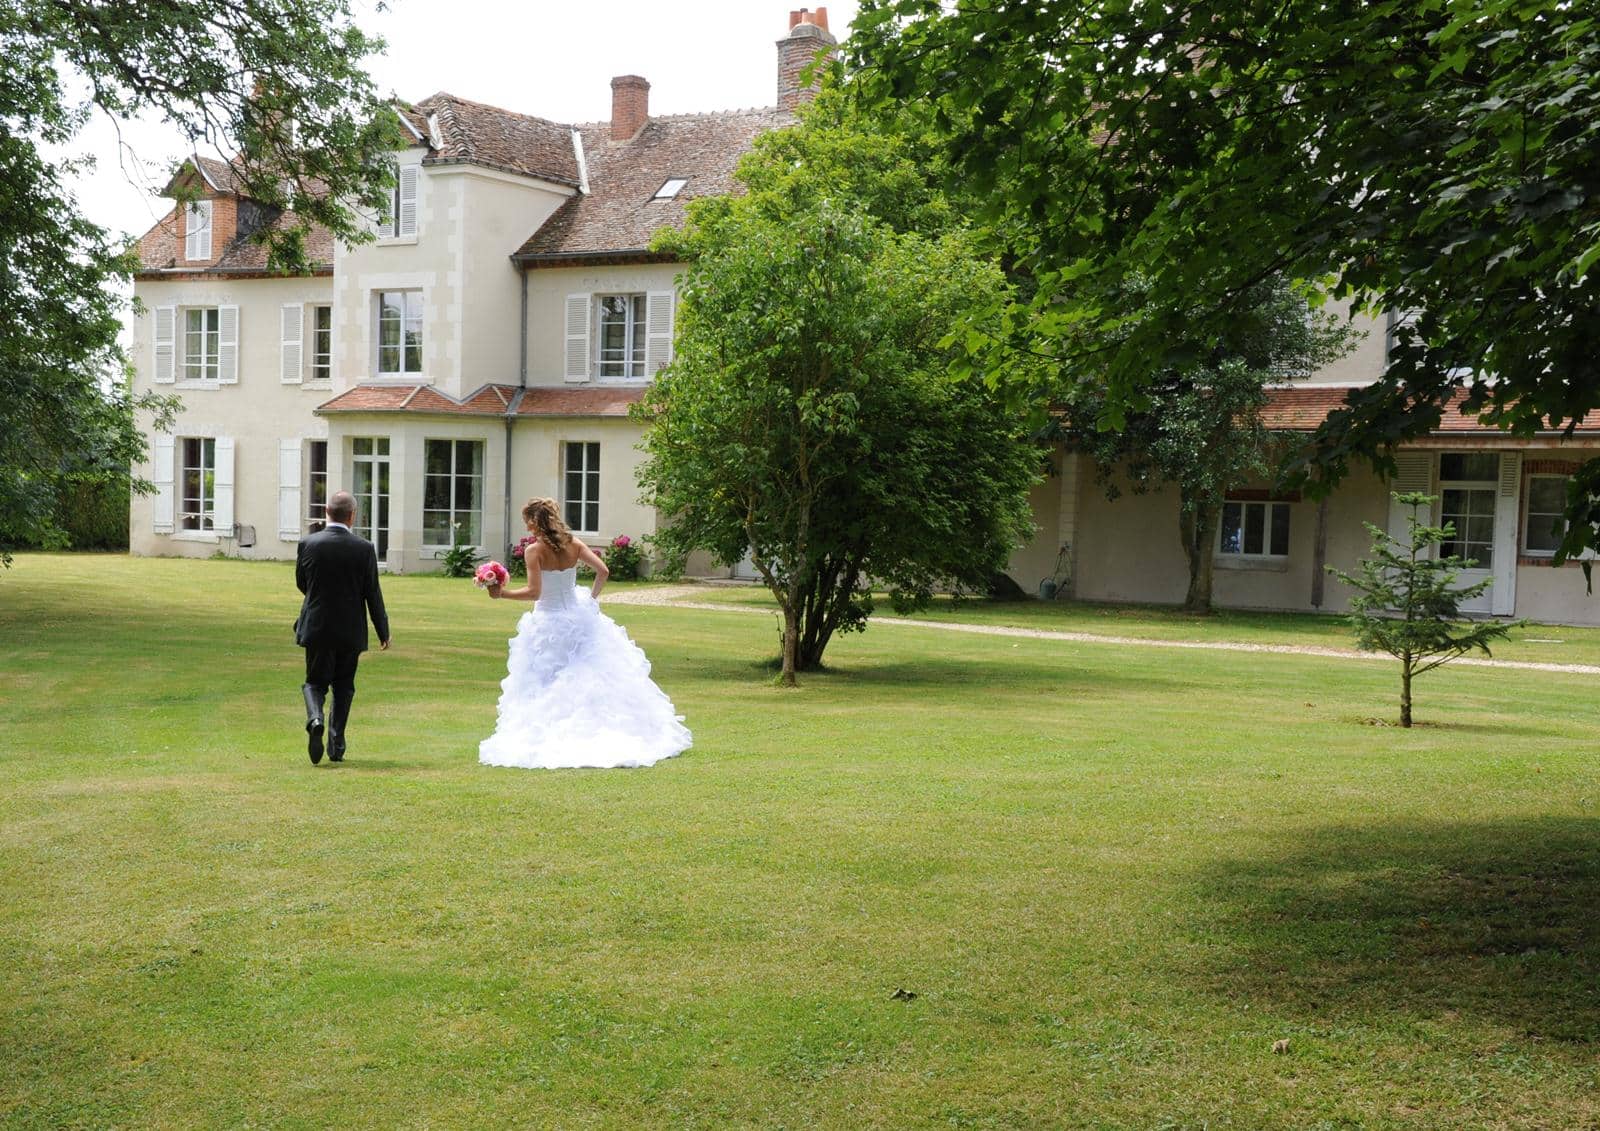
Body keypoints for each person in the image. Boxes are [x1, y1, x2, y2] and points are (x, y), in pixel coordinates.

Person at [479, 497, 690, 769]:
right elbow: (603, 571)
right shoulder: (573, 544)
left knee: (545, 680)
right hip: (579, 617)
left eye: (527, 521)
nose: (526, 526)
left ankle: (552, 734)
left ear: (534, 521)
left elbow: (535, 593)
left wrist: (502, 594)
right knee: (587, 671)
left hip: (549, 622)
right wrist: (590, 600)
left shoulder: (534, 551)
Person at [294, 490, 390, 765]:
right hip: (350, 628)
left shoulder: (308, 543)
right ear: (352, 515)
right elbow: (373, 592)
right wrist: (383, 630)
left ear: (326, 511)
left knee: (315, 682)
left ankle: (315, 718)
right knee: (344, 686)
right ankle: (336, 743)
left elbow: (303, 584)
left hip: (316, 625)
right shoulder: (364, 548)